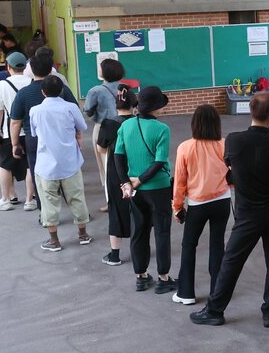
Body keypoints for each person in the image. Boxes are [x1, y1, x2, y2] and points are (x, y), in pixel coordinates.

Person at [191, 92, 269, 328]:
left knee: (231, 261)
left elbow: (231, 167)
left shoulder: (234, 140)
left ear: (251, 111)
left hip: (248, 213)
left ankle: (215, 310)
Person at [115, 86, 177, 294]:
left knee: (138, 231)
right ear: (157, 107)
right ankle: (163, 278)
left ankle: (141, 276)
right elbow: (159, 162)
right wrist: (140, 180)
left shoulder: (126, 126)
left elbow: (118, 156)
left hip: (135, 189)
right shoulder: (162, 129)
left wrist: (127, 182)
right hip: (158, 187)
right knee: (161, 231)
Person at [171, 104, 231, 306]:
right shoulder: (225, 144)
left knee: (189, 245)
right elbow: (233, 174)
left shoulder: (185, 147)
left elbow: (180, 181)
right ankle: (217, 293)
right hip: (222, 201)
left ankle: (186, 293)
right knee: (217, 244)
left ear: (194, 123)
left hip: (197, 203)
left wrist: (177, 207)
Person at [27, 75, 92, 252]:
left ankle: (54, 240)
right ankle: (83, 234)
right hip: (70, 162)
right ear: (62, 90)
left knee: (48, 201)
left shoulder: (35, 111)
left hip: (46, 165)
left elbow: (34, 133)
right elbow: (82, 126)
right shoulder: (71, 107)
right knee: (77, 197)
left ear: (43, 92)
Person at [8, 53, 76, 213]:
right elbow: (74, 111)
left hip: (34, 139)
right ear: (51, 69)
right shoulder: (62, 89)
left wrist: (15, 143)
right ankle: (75, 207)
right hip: (62, 137)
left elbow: (15, 121)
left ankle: (44, 211)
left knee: (38, 174)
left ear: (31, 69)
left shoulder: (23, 93)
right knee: (67, 171)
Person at [97, 86, 138, 267]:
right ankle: (139, 250)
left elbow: (101, 149)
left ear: (116, 105)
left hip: (116, 171)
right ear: (134, 105)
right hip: (138, 171)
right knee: (138, 210)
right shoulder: (139, 122)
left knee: (116, 208)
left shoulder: (109, 123)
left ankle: (115, 255)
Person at [0, 52, 33, 211]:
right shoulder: (32, 82)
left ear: (8, 67)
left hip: (9, 131)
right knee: (30, 165)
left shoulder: (2, 85)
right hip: (30, 130)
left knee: (5, 165)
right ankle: (30, 200)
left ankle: (5, 199)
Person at [83, 57, 128, 210]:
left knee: (106, 165)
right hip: (125, 126)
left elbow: (88, 110)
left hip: (103, 129)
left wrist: (96, 116)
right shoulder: (124, 88)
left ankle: (111, 201)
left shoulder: (96, 90)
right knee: (125, 162)